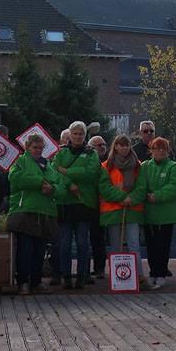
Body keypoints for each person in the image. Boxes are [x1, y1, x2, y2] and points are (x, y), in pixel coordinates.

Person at [8, 133, 64, 295]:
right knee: (25, 250)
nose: (38, 150)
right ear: (27, 147)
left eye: (41, 148)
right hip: (24, 211)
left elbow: (61, 187)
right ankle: (23, 282)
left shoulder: (50, 165)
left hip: (45, 212)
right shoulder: (19, 161)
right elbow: (15, 178)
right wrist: (41, 182)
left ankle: (36, 282)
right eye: (35, 148)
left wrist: (53, 189)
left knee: (39, 251)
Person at [98, 134, 151, 290]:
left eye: (127, 145)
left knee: (134, 244)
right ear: (115, 147)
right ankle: (117, 278)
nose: (124, 148)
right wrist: (122, 197)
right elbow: (104, 187)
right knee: (115, 246)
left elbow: (142, 187)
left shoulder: (138, 166)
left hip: (132, 210)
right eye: (121, 145)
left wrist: (131, 199)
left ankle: (139, 277)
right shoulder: (106, 166)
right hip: (113, 211)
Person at [52, 121, 100, 289]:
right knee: (64, 243)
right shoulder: (60, 153)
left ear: (85, 135)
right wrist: (70, 184)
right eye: (75, 134)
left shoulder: (92, 153)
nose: (78, 136)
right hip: (65, 203)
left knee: (82, 242)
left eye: (81, 134)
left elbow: (91, 173)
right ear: (70, 135)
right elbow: (54, 172)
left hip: (84, 202)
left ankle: (82, 275)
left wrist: (67, 172)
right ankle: (65, 275)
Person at [129, 137, 176, 289]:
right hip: (149, 213)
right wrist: (146, 195)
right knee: (151, 245)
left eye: (163, 148)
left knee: (164, 245)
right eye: (157, 148)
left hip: (166, 214)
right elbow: (141, 184)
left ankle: (162, 273)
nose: (160, 151)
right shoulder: (144, 166)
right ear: (150, 150)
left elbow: (174, 186)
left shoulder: (173, 166)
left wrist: (156, 195)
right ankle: (153, 272)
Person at [87, 135, 108, 276]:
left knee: (99, 238)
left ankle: (100, 268)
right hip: (87, 203)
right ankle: (85, 269)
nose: (102, 147)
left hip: (103, 205)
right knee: (84, 238)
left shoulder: (109, 163)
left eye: (104, 144)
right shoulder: (87, 161)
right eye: (98, 145)